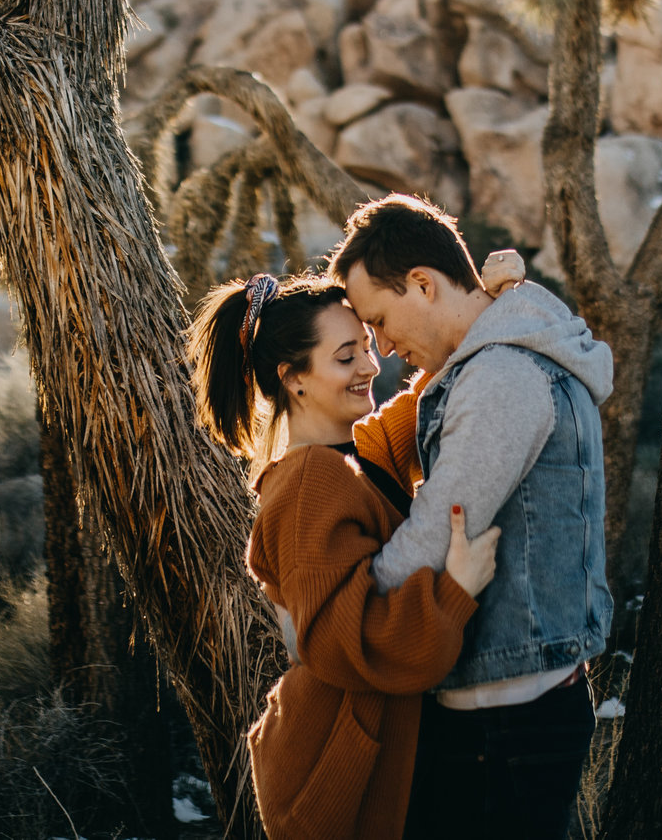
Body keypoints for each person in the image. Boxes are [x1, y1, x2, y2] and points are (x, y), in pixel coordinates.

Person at [332, 195, 614, 840]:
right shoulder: (505, 357)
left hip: (504, 712)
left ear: (424, 285)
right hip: (514, 696)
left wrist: (342, 611)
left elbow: (439, 529)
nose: (382, 346)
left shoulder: (502, 377)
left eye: (378, 319)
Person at [191, 270, 502, 840]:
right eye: (344, 356)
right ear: (294, 379)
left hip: (384, 744)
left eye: (366, 345)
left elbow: (437, 385)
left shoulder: (358, 450)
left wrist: (490, 305)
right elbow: (341, 642)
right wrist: (453, 591)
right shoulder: (311, 478)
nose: (370, 366)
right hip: (348, 767)